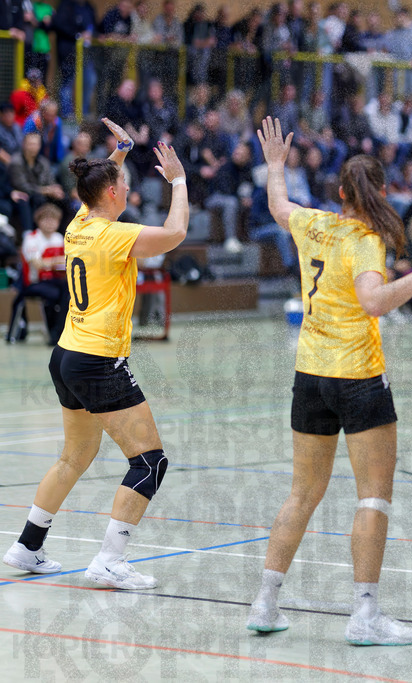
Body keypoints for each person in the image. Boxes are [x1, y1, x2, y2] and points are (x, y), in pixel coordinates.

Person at [246, 117, 412, 645]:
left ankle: (265, 601)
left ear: (338, 192)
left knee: (301, 492)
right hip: (357, 378)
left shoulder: (315, 223)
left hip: (309, 375)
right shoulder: (366, 240)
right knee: (373, 496)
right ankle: (365, 614)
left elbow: (278, 206)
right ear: (379, 192)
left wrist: (276, 166)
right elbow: (374, 301)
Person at [2, 118, 189, 590]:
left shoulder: (77, 227)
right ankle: (109, 559)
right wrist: (180, 181)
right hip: (98, 361)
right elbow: (175, 232)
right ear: (111, 195)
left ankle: (27, 545)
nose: (125, 189)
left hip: (66, 355)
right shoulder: (115, 235)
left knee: (74, 456)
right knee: (149, 461)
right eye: (122, 184)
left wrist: (120, 153)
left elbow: (95, 190)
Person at [6, 202, 69, 345]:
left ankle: (59, 332)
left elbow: (66, 261)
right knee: (59, 294)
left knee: (69, 290)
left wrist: (50, 261)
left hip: (55, 280)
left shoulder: (59, 238)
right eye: (46, 219)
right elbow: (38, 264)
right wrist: (56, 260)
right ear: (38, 221)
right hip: (34, 282)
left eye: (53, 220)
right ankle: (56, 333)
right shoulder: (32, 238)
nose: (50, 223)